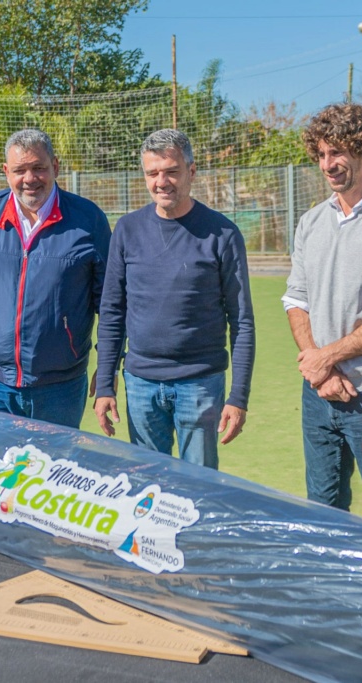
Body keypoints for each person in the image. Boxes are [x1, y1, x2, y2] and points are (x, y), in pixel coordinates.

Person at [93, 129, 255, 469]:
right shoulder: (127, 229)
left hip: (200, 384)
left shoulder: (222, 234)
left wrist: (238, 396)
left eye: (171, 171)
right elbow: (112, 312)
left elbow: (241, 320)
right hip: (139, 384)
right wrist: (105, 385)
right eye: (153, 173)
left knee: (199, 489)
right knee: (148, 486)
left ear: (191, 172)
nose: (161, 182)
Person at [282, 103, 362, 527]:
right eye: (320, 154)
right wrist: (319, 368)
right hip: (317, 392)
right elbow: (295, 298)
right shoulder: (311, 221)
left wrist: (327, 357)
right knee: (323, 505)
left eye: (337, 152)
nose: (328, 164)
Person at [0, 129, 110, 428]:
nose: (30, 178)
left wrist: (108, 365)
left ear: (55, 167)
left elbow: (110, 302)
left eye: (39, 168)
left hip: (62, 385)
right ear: (6, 172)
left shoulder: (89, 219)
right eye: (20, 170)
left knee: (55, 469)